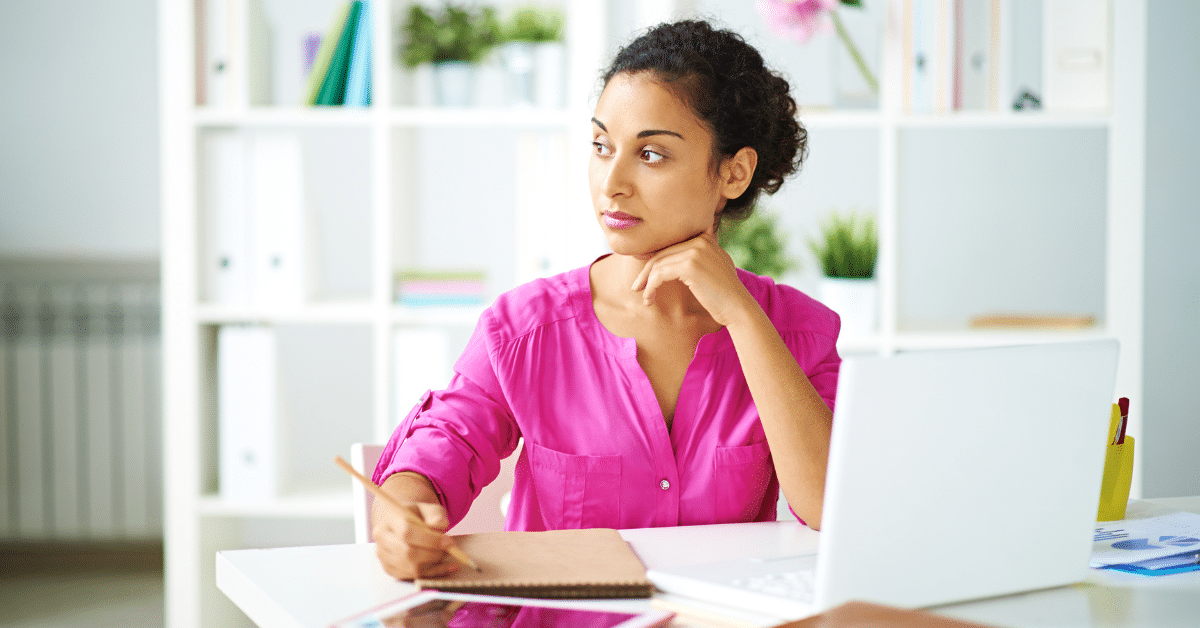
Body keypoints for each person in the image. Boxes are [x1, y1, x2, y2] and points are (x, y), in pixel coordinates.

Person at [370, 19, 841, 580]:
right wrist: (401, 508)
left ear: (733, 173)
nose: (611, 182)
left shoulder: (799, 330)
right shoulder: (524, 329)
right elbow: (441, 445)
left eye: (651, 155)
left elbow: (828, 506)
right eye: (602, 146)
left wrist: (742, 315)